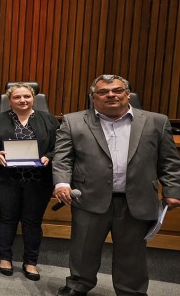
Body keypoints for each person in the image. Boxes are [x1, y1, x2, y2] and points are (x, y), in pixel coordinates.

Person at [53, 75, 180, 296]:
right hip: (89, 197)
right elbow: (63, 158)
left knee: (132, 253)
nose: (111, 95)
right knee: (83, 248)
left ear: (127, 94)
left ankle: (131, 291)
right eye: (103, 92)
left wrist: (172, 190)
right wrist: (62, 183)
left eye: (117, 90)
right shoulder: (73, 121)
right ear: (93, 98)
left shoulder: (156, 121)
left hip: (136, 199)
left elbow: (169, 161)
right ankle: (78, 285)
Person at [0, 83, 59, 281]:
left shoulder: (48, 120)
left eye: (26, 96)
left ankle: (31, 262)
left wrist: (49, 155)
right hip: (7, 179)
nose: (22, 100)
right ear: (9, 100)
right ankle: (5, 258)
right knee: (7, 219)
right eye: (17, 97)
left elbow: (62, 145)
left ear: (33, 98)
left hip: (38, 180)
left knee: (32, 222)